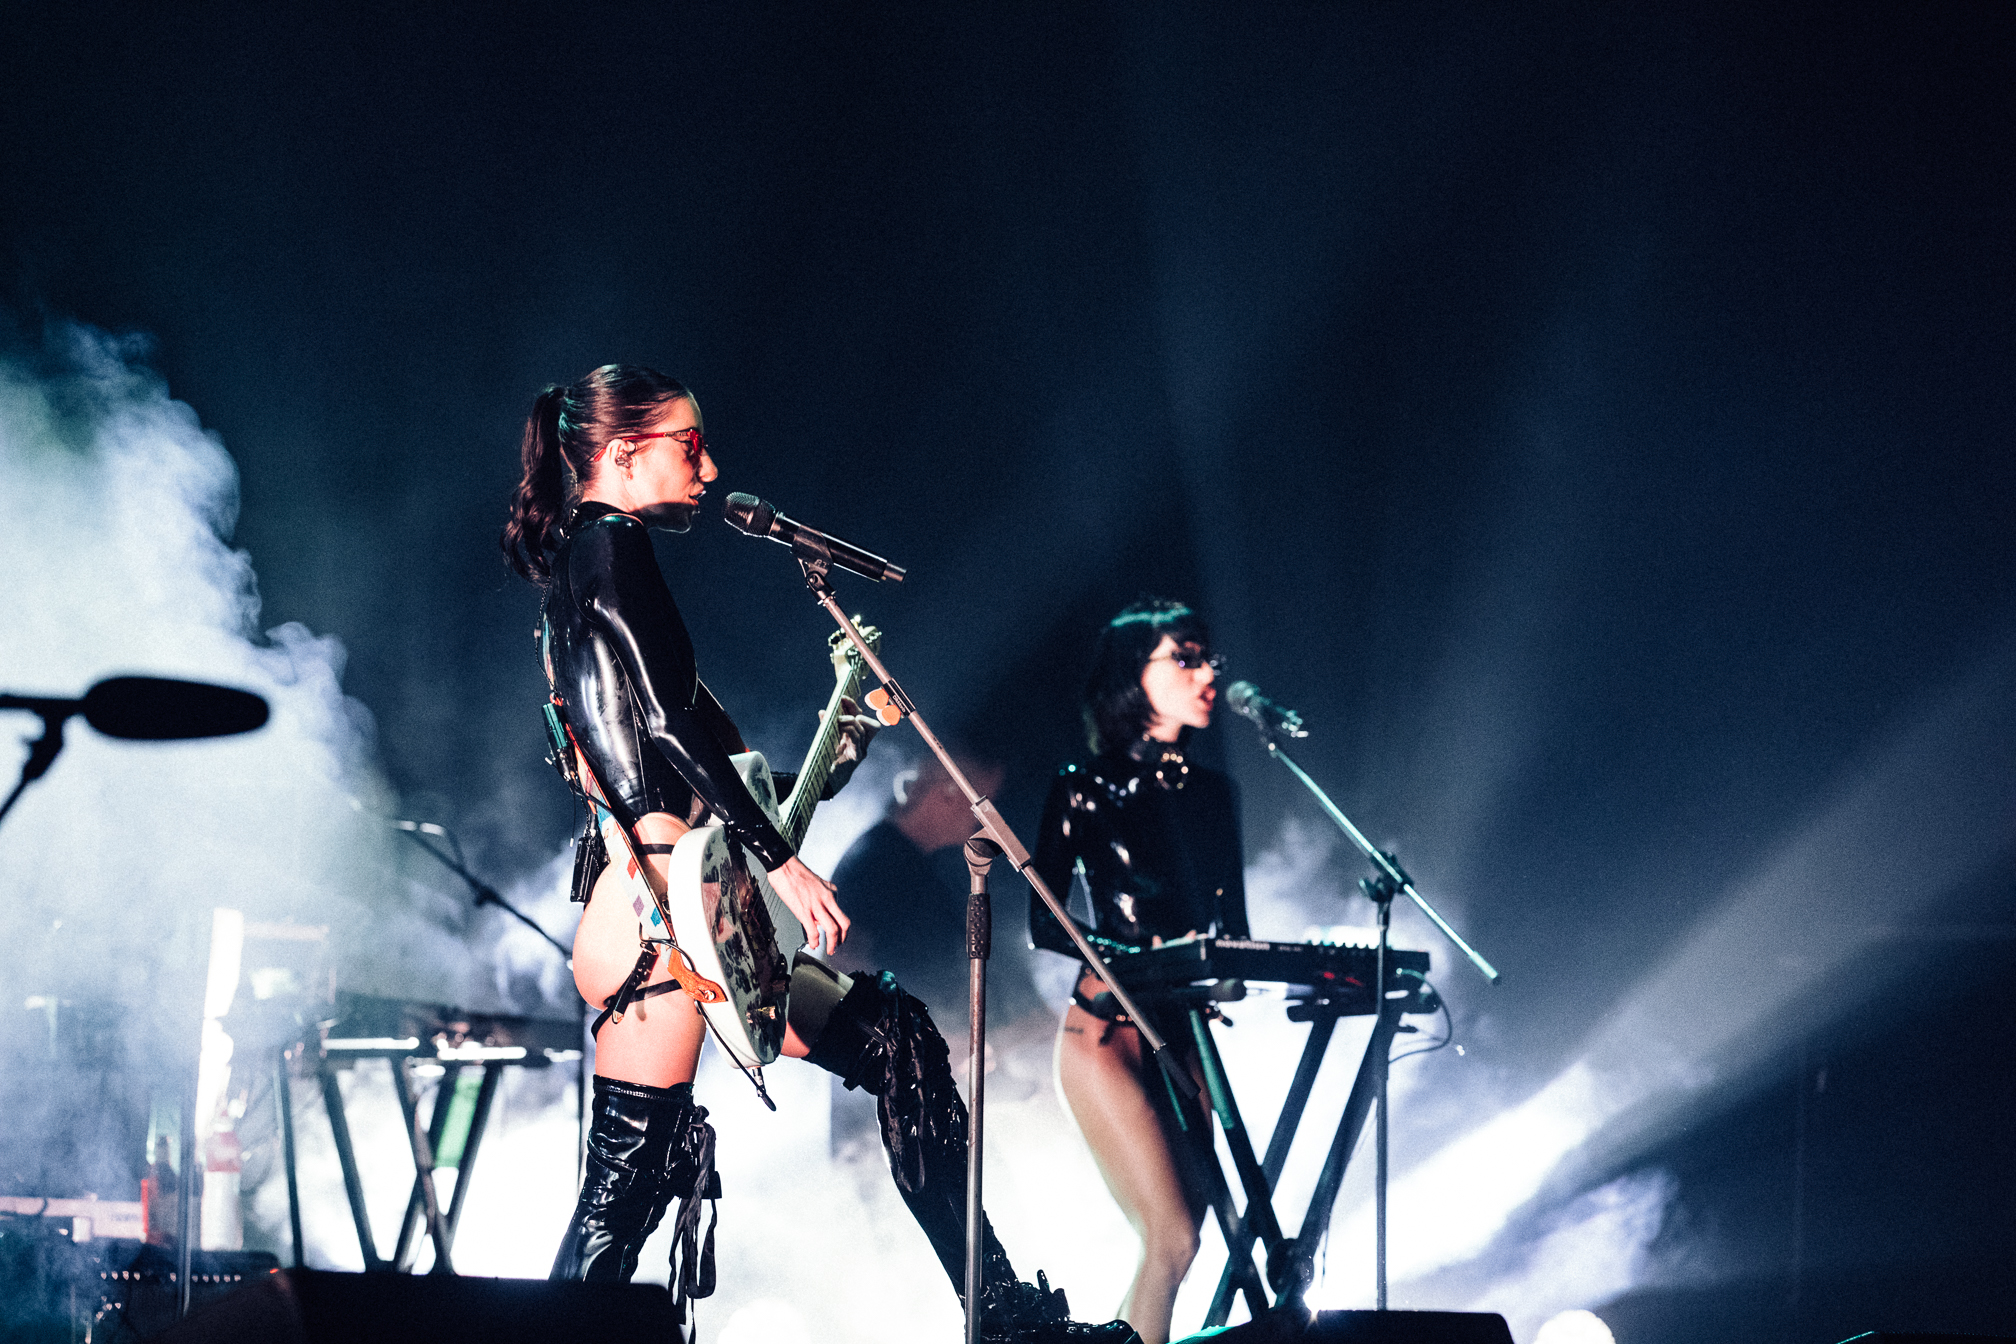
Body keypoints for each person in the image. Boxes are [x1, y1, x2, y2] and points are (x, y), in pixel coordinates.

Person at [501, 364, 1130, 1342]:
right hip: (660, 907)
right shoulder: (609, 546)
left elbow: (701, 759)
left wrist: (834, 755)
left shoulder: (591, 561)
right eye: (689, 445)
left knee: (897, 1042)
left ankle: (1001, 1313)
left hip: (688, 899)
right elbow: (664, 726)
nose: (710, 468)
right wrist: (783, 862)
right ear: (623, 452)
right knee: (621, 1197)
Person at [1029, 599, 1249, 1344]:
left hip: (1185, 1035)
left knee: (1204, 1233)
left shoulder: (1216, 793)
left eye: (1208, 657)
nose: (1206, 673)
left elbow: (1233, 933)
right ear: (1135, 675)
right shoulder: (1083, 785)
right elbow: (1044, 921)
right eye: (1185, 657)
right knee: (1172, 1237)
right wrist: (1140, 959)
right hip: (1109, 1032)